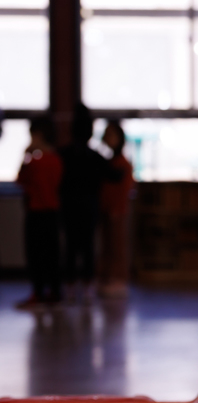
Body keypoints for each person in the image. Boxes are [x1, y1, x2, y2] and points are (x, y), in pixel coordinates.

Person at [60, 103, 121, 303]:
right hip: (88, 206)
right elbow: (115, 175)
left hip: (69, 206)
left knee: (71, 247)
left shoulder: (64, 155)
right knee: (86, 247)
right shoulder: (95, 157)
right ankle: (86, 287)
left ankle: (71, 287)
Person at [16, 116, 63, 308]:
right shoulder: (57, 160)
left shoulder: (37, 162)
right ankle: (53, 292)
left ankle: (39, 292)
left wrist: (26, 156)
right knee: (52, 254)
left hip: (37, 213)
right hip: (51, 213)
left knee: (36, 254)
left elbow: (21, 180)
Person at [98, 121, 134, 298]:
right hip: (106, 210)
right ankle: (107, 277)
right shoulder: (108, 162)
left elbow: (123, 191)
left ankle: (118, 279)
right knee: (107, 245)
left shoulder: (122, 164)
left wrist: (115, 210)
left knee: (117, 245)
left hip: (117, 211)